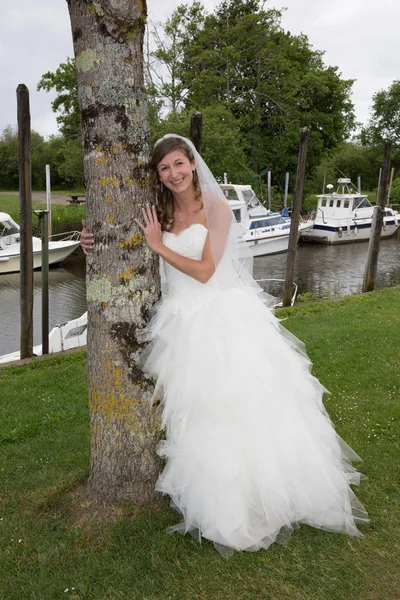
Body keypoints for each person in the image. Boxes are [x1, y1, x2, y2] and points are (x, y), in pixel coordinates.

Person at [81, 134, 368, 556]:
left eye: (179, 164)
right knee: (197, 415)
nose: (174, 174)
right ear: (158, 175)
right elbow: (116, 228)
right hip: (179, 321)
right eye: (165, 168)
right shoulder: (158, 206)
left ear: (193, 164)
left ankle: (259, 495)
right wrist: (89, 240)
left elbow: (204, 270)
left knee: (236, 408)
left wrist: (159, 246)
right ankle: (215, 495)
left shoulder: (216, 209)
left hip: (219, 317)